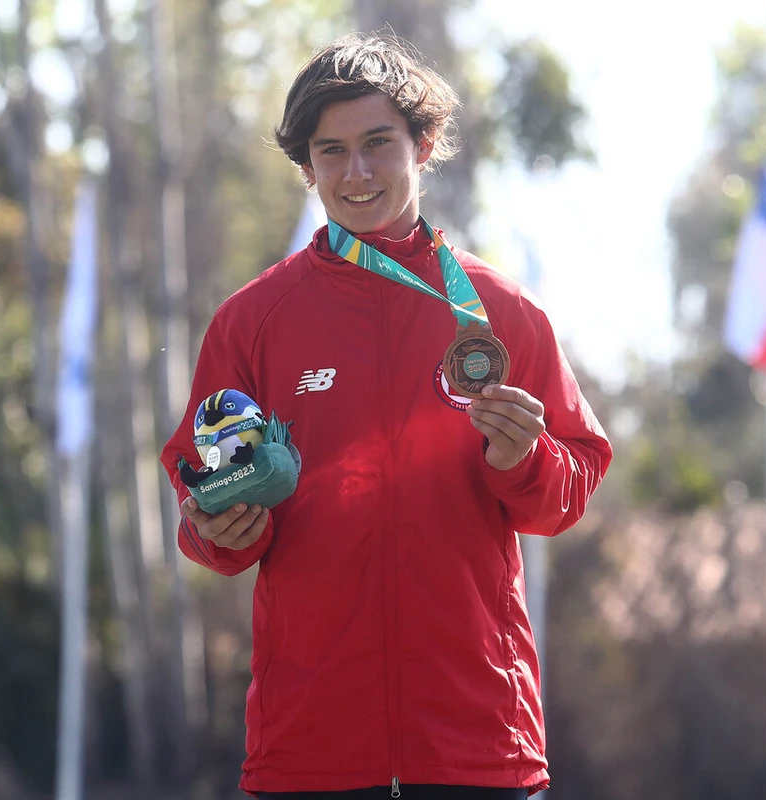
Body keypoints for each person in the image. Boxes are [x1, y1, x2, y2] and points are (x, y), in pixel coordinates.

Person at [159, 31, 612, 799]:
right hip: (310, 753)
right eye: (330, 152)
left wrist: (523, 460)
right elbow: (198, 494)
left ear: (424, 144)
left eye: (378, 143)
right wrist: (220, 530)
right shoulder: (252, 321)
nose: (356, 172)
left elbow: (571, 486)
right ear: (307, 167)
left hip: (478, 746)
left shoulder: (502, 311)